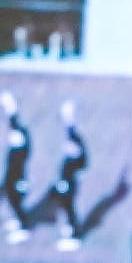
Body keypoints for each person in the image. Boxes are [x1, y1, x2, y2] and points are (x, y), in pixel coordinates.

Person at [44, 100, 90, 249]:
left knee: (68, 208)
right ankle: (69, 231)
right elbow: (70, 131)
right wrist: (68, 117)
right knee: (66, 207)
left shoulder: (75, 163)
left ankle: (72, 233)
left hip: (69, 186)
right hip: (66, 185)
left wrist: (64, 184)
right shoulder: (73, 159)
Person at [0, 92, 34, 242]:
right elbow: (14, 124)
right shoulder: (17, 147)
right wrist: (10, 109)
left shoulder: (21, 151)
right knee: (12, 199)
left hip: (17, 178)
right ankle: (18, 220)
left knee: (16, 200)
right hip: (12, 177)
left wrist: (11, 108)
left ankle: (23, 225)